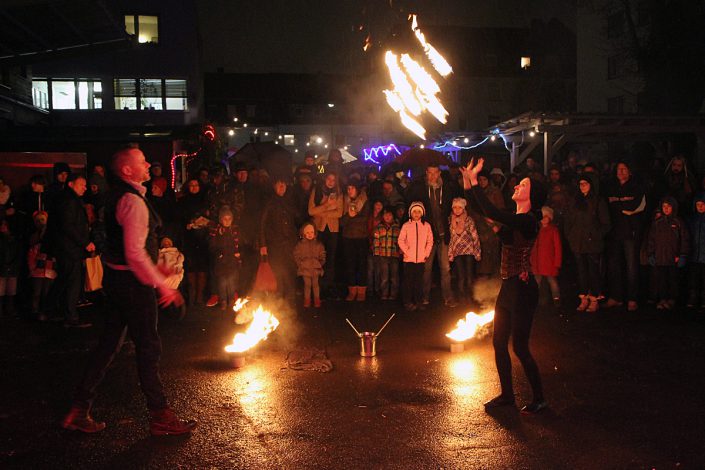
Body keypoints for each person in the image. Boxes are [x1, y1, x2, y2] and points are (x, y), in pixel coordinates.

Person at [61, 147, 196, 436]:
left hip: (119, 282)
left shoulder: (120, 196)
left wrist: (154, 271)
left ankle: (78, 408)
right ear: (127, 170)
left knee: (109, 345)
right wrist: (162, 285)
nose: (149, 164)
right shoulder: (131, 201)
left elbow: (125, 251)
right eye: (142, 161)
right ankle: (160, 416)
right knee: (148, 348)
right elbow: (134, 254)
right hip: (134, 288)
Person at [461, 157, 548, 414]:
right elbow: (481, 211)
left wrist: (475, 181)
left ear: (532, 195)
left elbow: (491, 212)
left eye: (522, 184)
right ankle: (507, 395)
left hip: (524, 290)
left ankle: (540, 398)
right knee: (499, 343)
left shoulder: (528, 220)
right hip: (510, 288)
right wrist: (467, 183)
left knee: (520, 347)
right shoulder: (515, 219)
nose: (516, 187)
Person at [406, 163, 461, 307]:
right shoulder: (420, 188)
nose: (432, 176)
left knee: (445, 269)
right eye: (429, 173)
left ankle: (448, 297)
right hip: (427, 236)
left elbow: (455, 205)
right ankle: (423, 297)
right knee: (426, 269)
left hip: (443, 233)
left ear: (439, 173)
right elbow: (413, 209)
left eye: (435, 172)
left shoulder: (447, 188)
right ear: (426, 173)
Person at [44, 174, 95, 328]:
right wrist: (85, 242)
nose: (85, 188)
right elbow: (68, 226)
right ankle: (70, 316)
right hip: (69, 248)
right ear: (71, 184)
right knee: (72, 281)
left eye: (86, 185)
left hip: (65, 248)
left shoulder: (65, 199)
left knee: (64, 280)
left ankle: (49, 311)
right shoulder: (70, 201)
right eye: (82, 185)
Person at [564, 174, 611, 312]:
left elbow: (606, 223)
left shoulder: (598, 201)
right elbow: (568, 220)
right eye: (580, 184)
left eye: (585, 183)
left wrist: (595, 236)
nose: (582, 186)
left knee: (593, 271)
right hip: (577, 242)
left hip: (592, 243)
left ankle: (594, 298)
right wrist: (570, 236)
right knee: (581, 271)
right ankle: (584, 298)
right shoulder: (575, 201)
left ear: (591, 185)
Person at [604, 161, 646, 311]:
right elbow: (609, 207)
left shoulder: (637, 187)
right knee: (614, 266)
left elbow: (635, 206)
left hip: (630, 232)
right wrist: (623, 206)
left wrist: (619, 206)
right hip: (614, 232)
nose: (620, 171)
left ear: (630, 171)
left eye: (624, 169)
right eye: (618, 169)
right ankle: (616, 297)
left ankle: (632, 299)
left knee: (631, 267)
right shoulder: (610, 187)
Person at [260, 176, 299, 304]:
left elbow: (296, 220)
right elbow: (262, 224)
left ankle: (290, 294)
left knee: (289, 268)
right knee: (277, 268)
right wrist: (263, 244)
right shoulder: (269, 203)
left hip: (289, 243)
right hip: (275, 243)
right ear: (274, 186)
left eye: (284, 184)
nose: (282, 187)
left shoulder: (290, 201)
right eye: (279, 184)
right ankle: (279, 294)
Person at [646, 197, 689, 310]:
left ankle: (672, 299)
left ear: (673, 208)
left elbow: (684, 239)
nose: (666, 209)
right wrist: (650, 254)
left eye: (668, 206)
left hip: (673, 258)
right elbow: (651, 239)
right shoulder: (657, 223)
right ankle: (662, 298)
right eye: (664, 206)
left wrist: (682, 254)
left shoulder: (678, 222)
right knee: (661, 279)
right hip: (660, 257)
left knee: (673, 279)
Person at [308, 172, 344, 298]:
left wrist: (321, 212)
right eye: (329, 178)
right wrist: (327, 206)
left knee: (331, 258)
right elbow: (311, 210)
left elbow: (339, 213)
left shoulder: (338, 193)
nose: (330, 182)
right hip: (319, 228)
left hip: (332, 229)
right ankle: (317, 286)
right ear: (324, 179)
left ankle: (328, 286)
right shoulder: (317, 191)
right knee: (318, 257)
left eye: (333, 180)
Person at [398, 201, 433, 312]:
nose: (416, 214)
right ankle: (407, 302)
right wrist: (407, 251)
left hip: (421, 259)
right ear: (410, 213)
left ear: (422, 213)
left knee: (419, 281)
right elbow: (400, 240)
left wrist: (426, 253)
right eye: (414, 211)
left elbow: (430, 241)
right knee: (408, 281)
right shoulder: (406, 226)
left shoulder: (426, 226)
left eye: (419, 211)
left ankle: (418, 301)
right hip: (409, 259)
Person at [447, 197, 481, 306]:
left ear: (463, 208)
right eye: (455, 207)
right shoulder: (450, 220)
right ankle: (462, 298)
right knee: (461, 276)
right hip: (457, 251)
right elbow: (452, 238)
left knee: (469, 275)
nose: (457, 210)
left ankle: (470, 297)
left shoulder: (468, 220)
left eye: (459, 207)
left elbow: (475, 236)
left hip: (469, 251)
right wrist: (450, 253)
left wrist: (477, 251)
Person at [340, 179, 370, 301]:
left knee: (362, 265)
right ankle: (352, 290)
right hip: (348, 237)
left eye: (352, 188)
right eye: (348, 188)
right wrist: (349, 216)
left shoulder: (365, 201)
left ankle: (362, 290)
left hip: (361, 237)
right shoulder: (344, 201)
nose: (350, 191)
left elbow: (365, 218)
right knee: (350, 265)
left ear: (357, 189)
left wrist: (353, 216)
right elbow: (341, 221)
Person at [208, 207, 241, 310]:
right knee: (222, 282)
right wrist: (219, 254)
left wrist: (238, 254)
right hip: (221, 261)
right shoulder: (217, 231)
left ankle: (231, 300)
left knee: (231, 281)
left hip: (232, 260)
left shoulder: (234, 231)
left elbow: (238, 244)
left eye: (229, 219)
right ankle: (223, 300)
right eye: (225, 219)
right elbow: (212, 245)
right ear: (221, 219)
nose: (227, 221)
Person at [530, 206, 563, 308]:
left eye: (546, 217)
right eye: (542, 217)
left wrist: (557, 262)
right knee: (536, 282)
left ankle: (556, 298)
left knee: (552, 281)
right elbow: (533, 246)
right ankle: (533, 300)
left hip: (549, 262)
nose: (544, 219)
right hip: (537, 262)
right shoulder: (537, 230)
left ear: (550, 218)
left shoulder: (553, 231)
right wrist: (531, 259)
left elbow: (558, 248)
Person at [293, 222, 326, 308]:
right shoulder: (300, 245)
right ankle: (307, 300)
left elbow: (323, 255)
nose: (310, 234)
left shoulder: (318, 244)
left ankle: (317, 300)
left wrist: (320, 263)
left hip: (316, 268)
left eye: (311, 232)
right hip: (305, 269)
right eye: (307, 233)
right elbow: (296, 255)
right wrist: (300, 264)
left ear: (315, 232)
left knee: (315, 285)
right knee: (307, 285)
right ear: (303, 233)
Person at [372, 207, 401, 301]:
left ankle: (393, 294)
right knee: (384, 277)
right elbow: (376, 241)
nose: (387, 217)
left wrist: (400, 251)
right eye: (385, 215)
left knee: (394, 277)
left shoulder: (397, 227)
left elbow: (401, 240)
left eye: (389, 215)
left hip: (394, 255)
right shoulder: (379, 227)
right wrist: (377, 253)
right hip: (383, 255)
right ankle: (384, 294)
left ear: (393, 216)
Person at [687, 195, 705, 309]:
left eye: (703, 204)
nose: (700, 207)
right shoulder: (691, 220)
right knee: (693, 280)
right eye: (698, 204)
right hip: (693, 256)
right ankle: (692, 299)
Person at [0, 219, 19, 317]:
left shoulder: (14, 240)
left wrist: (12, 265)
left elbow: (17, 254)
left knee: (11, 291)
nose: (2, 226)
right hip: (2, 268)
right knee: (1, 290)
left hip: (12, 268)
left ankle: (9, 310)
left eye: (4, 225)